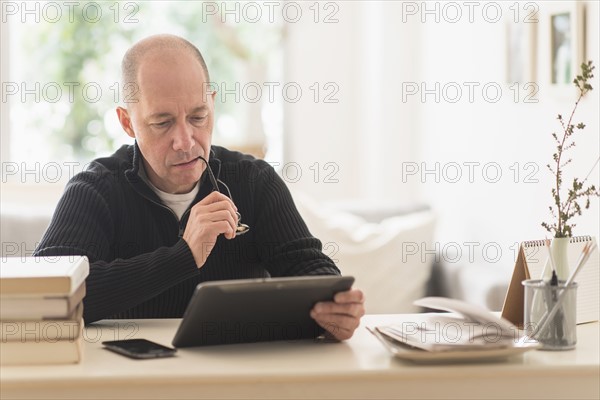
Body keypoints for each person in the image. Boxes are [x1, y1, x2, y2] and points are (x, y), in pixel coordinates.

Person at [35, 34, 365, 341]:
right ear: (127, 122)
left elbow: (309, 268)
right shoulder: (96, 189)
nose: (185, 141)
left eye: (198, 117)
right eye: (162, 122)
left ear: (213, 105)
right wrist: (184, 255)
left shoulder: (254, 180)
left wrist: (337, 308)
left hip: (238, 375)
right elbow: (47, 299)